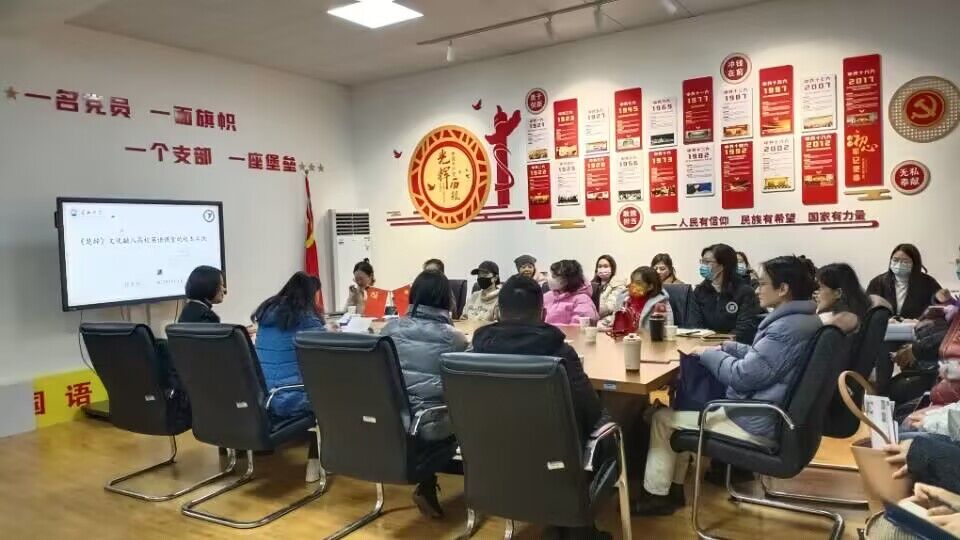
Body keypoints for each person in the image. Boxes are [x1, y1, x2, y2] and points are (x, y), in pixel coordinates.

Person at [633, 255, 821, 516]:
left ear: (783, 289)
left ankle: (657, 496)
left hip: (754, 422)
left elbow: (743, 376)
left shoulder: (785, 329)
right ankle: (673, 489)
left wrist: (709, 355)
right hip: (768, 413)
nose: (757, 290)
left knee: (663, 419)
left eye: (762, 284)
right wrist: (729, 347)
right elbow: (763, 359)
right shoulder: (802, 321)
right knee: (680, 413)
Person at [471, 276, 610, 539]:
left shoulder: (476, 350)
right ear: (544, 313)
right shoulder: (559, 352)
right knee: (605, 431)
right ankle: (578, 525)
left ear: (498, 312)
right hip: (555, 459)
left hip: (494, 452)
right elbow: (590, 410)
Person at [380, 271, 468, 518]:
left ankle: (427, 485)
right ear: (447, 299)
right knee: (468, 410)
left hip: (392, 421)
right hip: (429, 425)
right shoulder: (453, 338)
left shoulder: (389, 328)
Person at [251, 272, 326, 420]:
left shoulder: (266, 316)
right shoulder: (306, 319)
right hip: (290, 397)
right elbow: (325, 355)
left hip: (261, 394)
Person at [689, 243, 763, 343]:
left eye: (707, 262)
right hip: (703, 345)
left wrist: (721, 343)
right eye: (702, 261)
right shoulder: (699, 291)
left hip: (733, 347)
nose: (703, 266)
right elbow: (695, 324)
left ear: (722, 265)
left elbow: (744, 328)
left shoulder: (745, 292)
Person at [866, 244, 943, 320]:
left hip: (917, 326)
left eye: (905, 261)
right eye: (895, 260)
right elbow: (866, 309)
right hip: (884, 326)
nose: (899, 264)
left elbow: (939, 309)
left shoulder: (928, 283)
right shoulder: (878, 282)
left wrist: (918, 320)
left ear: (915, 263)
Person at [601, 266, 673, 331]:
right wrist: (607, 325)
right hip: (623, 339)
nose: (632, 285)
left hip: (648, 340)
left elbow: (668, 330)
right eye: (632, 281)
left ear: (650, 286)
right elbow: (614, 321)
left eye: (638, 283)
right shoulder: (624, 298)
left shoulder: (661, 303)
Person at [815, 263, 871, 334]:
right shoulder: (860, 315)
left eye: (819, 288)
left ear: (838, 293)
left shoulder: (842, 322)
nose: (815, 294)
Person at [544, 259, 599, 326]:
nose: (549, 278)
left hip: (565, 333)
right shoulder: (548, 296)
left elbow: (577, 328)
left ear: (567, 279)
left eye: (554, 276)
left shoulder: (582, 300)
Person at [591, 255, 626, 322]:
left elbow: (611, 306)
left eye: (606, 266)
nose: (602, 269)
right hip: (591, 318)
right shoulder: (591, 284)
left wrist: (592, 311)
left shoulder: (618, 284)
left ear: (612, 268)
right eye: (600, 266)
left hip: (606, 321)